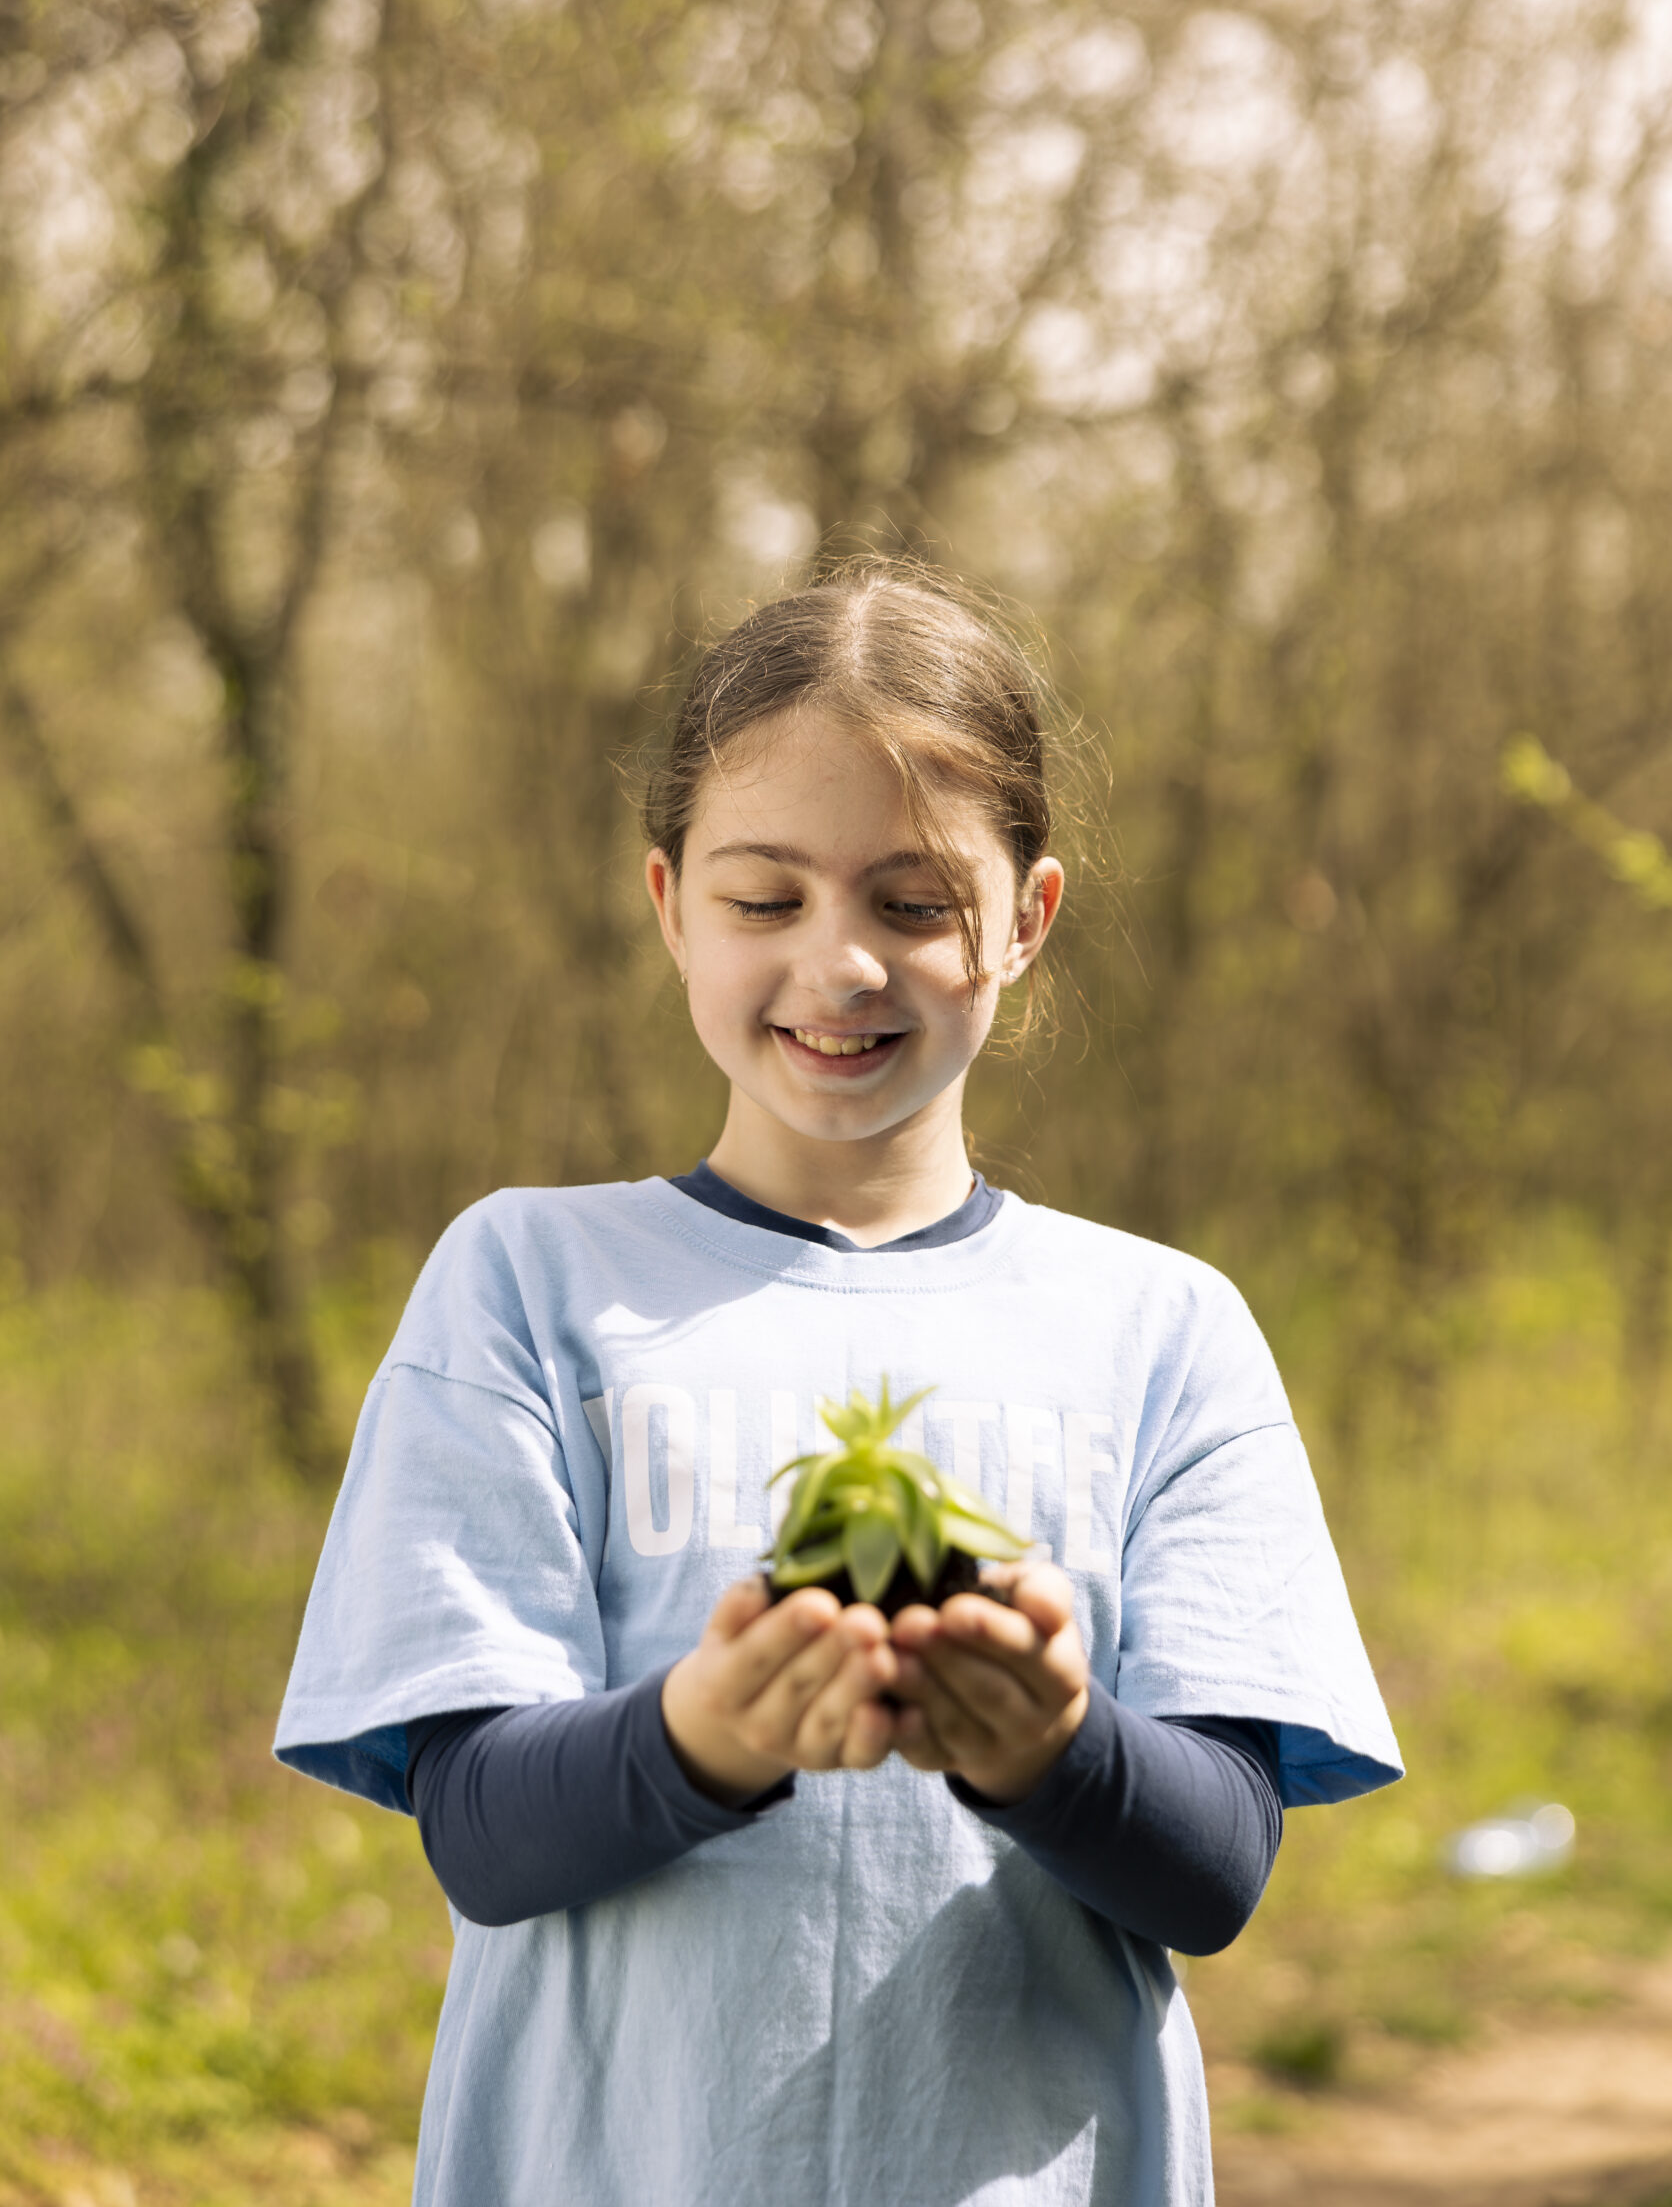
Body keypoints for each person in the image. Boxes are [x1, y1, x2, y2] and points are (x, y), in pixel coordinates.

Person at [276, 565, 1402, 2207]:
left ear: (1027, 916)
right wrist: (702, 1738)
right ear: (668, 903)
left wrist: (1054, 1750)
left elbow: (1217, 1869)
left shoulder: (1164, 1329)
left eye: (914, 899)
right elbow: (480, 1831)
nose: (842, 964)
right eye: (765, 900)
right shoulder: (526, 1283)